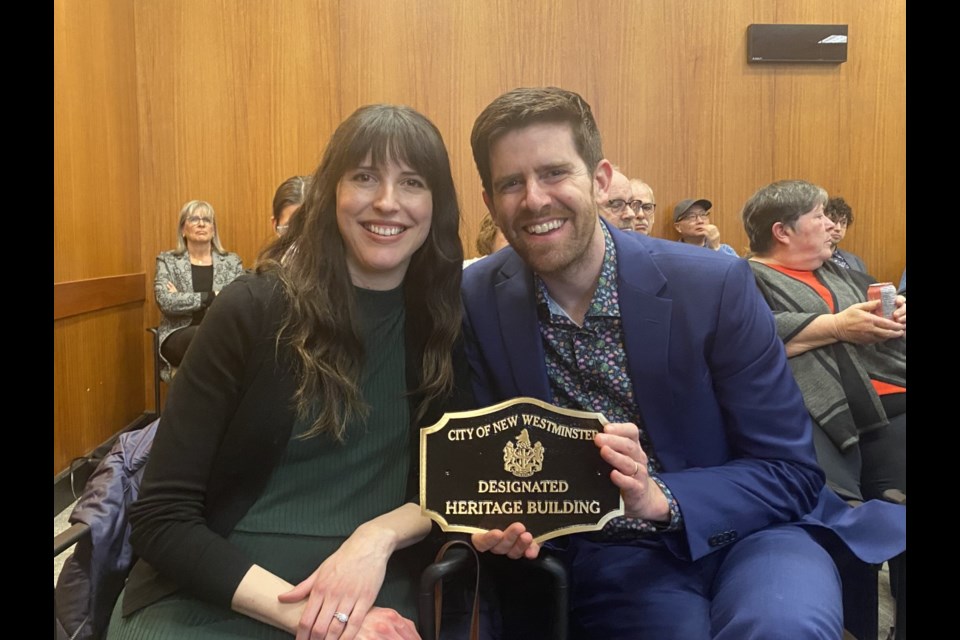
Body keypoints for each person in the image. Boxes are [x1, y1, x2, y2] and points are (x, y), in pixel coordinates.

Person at [462, 87, 905, 639]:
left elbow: (789, 471)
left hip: (760, 530)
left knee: (781, 626)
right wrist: (494, 519)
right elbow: (484, 460)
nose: (534, 199)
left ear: (600, 180)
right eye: (511, 183)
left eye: (554, 172)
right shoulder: (478, 296)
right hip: (616, 555)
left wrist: (658, 497)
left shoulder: (712, 283)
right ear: (488, 200)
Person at [109, 104, 470, 640]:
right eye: (365, 176)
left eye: (412, 182)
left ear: (436, 205)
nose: (387, 201)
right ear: (330, 194)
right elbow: (162, 518)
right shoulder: (252, 310)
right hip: (209, 589)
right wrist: (313, 619)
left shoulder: (447, 325)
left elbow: (457, 482)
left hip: (366, 583)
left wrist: (378, 536)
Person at [742, 180, 905, 504]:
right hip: (828, 410)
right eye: (819, 216)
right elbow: (751, 335)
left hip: (893, 392)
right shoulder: (742, 279)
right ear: (782, 231)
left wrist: (897, 314)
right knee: (868, 509)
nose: (831, 225)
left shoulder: (846, 274)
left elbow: (885, 326)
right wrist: (836, 326)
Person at [154, 200, 244, 382]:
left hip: (222, 332)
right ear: (183, 229)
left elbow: (239, 302)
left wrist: (184, 298)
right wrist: (212, 296)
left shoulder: (232, 262)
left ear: (213, 229)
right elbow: (166, 301)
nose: (201, 224)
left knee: (219, 337)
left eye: (207, 220)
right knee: (204, 335)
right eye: (194, 219)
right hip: (179, 333)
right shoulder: (168, 261)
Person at [673, 198, 737, 256]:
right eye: (691, 216)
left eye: (703, 214)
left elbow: (738, 268)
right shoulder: (672, 252)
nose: (700, 221)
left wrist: (716, 248)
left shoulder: (725, 249)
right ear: (678, 227)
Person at [824, 196, 868, 272]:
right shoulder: (808, 260)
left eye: (843, 223)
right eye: (833, 221)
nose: (838, 228)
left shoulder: (856, 262)